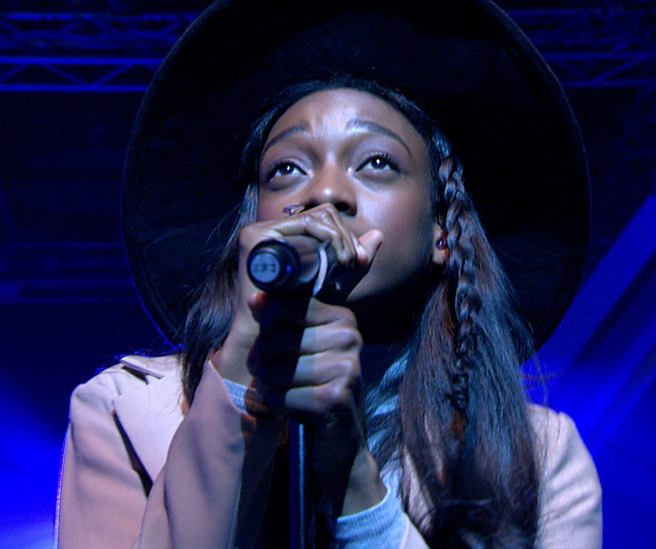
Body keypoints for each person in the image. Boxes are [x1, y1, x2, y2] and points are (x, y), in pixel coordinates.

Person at [56, 1, 602, 547]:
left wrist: (353, 476)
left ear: (442, 232)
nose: (324, 193)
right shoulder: (122, 412)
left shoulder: (539, 459)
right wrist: (244, 370)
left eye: (377, 163)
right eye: (286, 169)